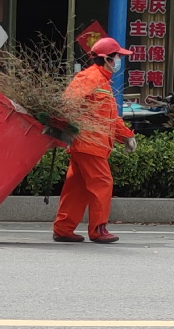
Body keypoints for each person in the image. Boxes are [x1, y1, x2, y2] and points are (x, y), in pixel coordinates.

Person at [53, 37, 137, 244]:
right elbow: (67, 105)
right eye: (117, 56)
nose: (119, 61)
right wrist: (64, 129)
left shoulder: (101, 82)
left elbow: (110, 118)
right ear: (107, 59)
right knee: (102, 183)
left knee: (77, 187)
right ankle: (99, 229)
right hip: (90, 144)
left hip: (87, 144)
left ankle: (63, 229)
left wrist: (126, 135)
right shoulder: (89, 78)